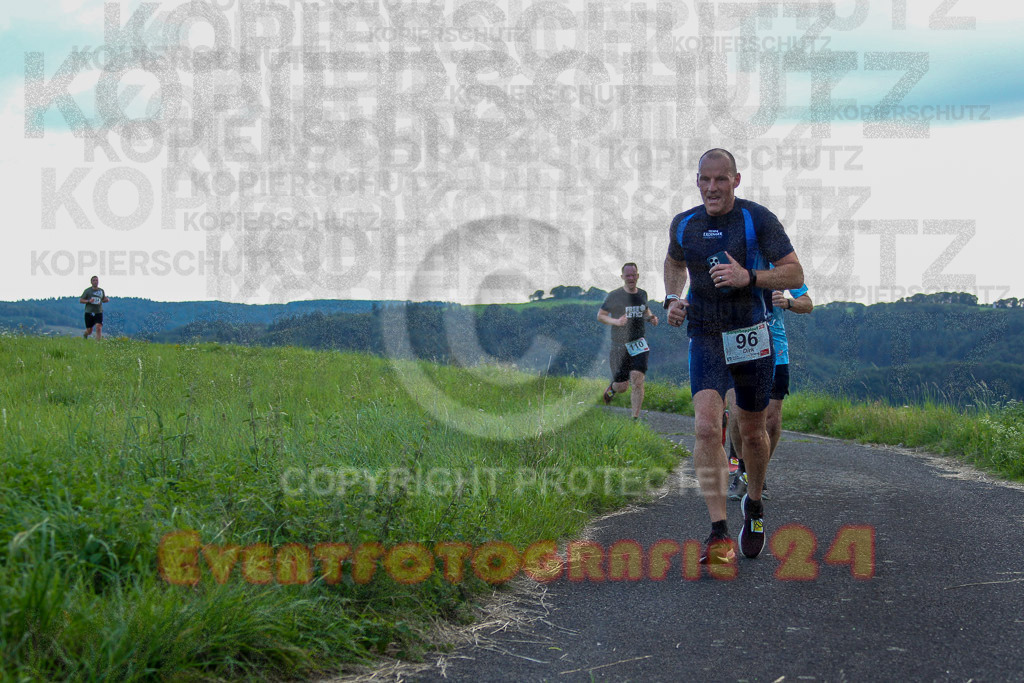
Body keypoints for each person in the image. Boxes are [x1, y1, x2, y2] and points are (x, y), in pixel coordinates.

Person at [663, 148, 803, 566]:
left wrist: (750, 277)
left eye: (720, 179)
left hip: (751, 333)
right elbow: (674, 262)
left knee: (753, 432)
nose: (711, 187)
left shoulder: (756, 218)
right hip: (705, 332)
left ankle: (755, 504)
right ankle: (718, 532)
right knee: (707, 428)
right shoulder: (685, 223)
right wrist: (672, 297)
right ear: (697, 181)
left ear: (736, 180)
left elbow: (794, 273)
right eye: (704, 179)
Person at [727, 286, 814, 501]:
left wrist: (788, 303)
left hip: (777, 350)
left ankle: (758, 473)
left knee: (772, 422)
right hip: (738, 346)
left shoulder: (779, 262)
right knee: (738, 414)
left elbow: (807, 303)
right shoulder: (731, 257)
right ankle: (744, 471)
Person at [598, 262, 659, 420]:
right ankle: (612, 388)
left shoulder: (643, 294)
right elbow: (601, 315)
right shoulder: (615, 296)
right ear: (622, 277)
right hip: (619, 345)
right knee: (622, 386)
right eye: (628, 276)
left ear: (637, 276)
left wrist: (650, 317)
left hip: (639, 343)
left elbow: (644, 310)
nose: (631, 278)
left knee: (638, 379)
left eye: (633, 275)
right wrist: (616, 322)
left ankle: (635, 418)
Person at [80, 275, 109, 340]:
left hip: (98, 311)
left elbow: (103, 299)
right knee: (89, 331)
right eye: (94, 280)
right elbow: (81, 300)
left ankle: (98, 343)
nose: (95, 282)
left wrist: (106, 300)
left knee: (99, 327)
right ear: (91, 282)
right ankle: (85, 334)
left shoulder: (101, 291)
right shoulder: (87, 291)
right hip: (89, 312)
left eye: (96, 280)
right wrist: (88, 301)